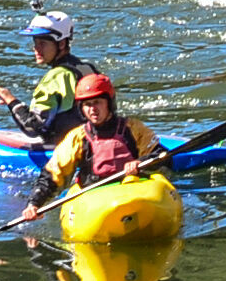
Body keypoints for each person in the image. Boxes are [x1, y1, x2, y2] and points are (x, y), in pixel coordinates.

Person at [18, 74, 160, 224]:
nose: (93, 109)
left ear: (109, 103)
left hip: (135, 190)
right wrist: (34, 203)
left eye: (97, 102)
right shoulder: (77, 137)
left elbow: (159, 156)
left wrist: (141, 162)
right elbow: (53, 175)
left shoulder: (134, 129)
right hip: (95, 197)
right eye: (87, 104)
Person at [0, 11, 104, 145]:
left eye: (42, 43)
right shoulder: (87, 68)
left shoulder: (55, 77)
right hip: (94, 142)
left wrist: (10, 100)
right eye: (35, 42)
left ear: (61, 44)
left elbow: (32, 127)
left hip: (66, 150)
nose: (36, 48)